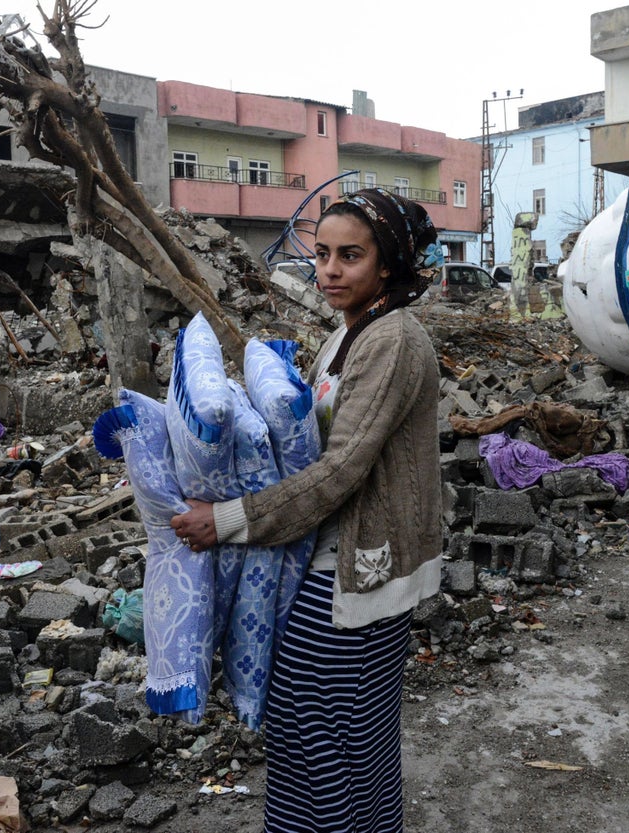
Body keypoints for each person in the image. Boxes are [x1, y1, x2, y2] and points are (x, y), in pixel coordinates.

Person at [170, 188, 445, 833]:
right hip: (329, 561)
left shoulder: (394, 341)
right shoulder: (347, 336)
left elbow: (341, 469)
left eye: (350, 255)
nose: (329, 270)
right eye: (321, 254)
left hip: (358, 574)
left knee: (321, 734)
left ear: (388, 263)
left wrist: (232, 517)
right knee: (343, 738)